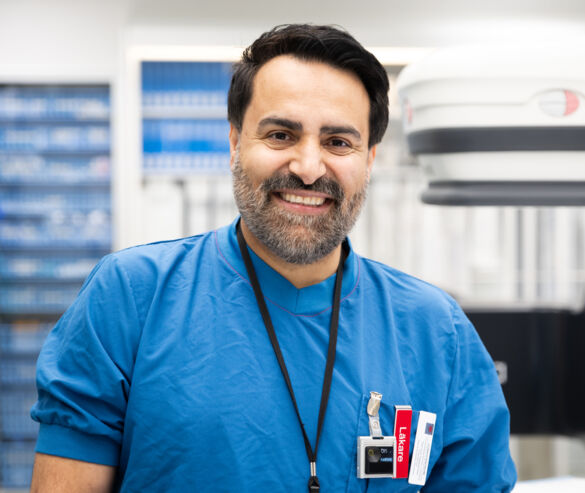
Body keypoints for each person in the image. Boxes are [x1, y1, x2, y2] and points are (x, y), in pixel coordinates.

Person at [30, 24, 517, 492]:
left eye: (338, 142)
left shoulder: (436, 332)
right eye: (281, 135)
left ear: (369, 159)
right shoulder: (130, 299)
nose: (308, 168)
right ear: (235, 143)